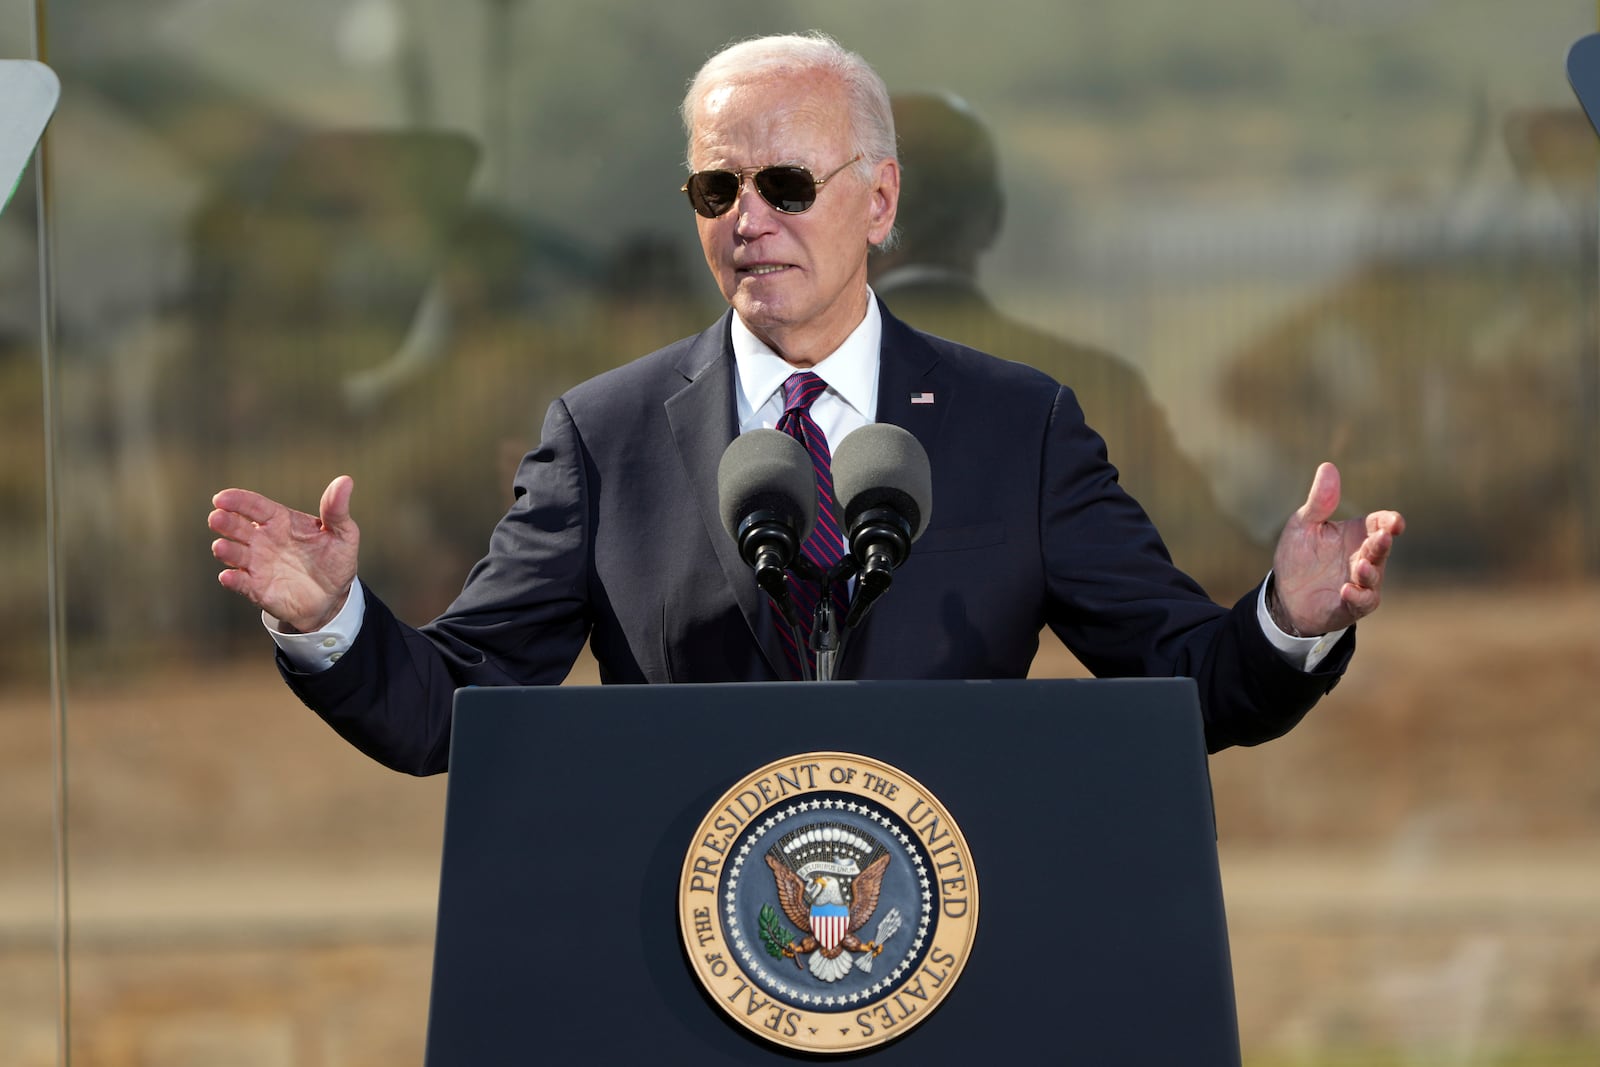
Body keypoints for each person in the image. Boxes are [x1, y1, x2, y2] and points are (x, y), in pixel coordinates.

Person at [208, 32, 1404, 776]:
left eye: (785, 182)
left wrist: (1287, 620)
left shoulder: (1015, 424)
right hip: (691, 952)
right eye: (714, 184)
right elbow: (456, 714)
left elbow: (1178, 685)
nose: (747, 217)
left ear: (878, 200)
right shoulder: (605, 437)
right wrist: (335, 623)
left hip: (959, 949)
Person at [870, 91, 1261, 601]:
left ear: (875, 213)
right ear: (991, 218)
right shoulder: (1096, 385)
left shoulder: (794, 392)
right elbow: (1219, 563)